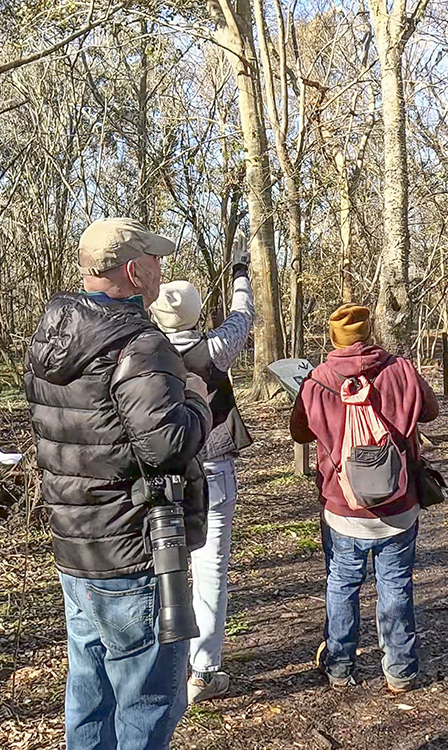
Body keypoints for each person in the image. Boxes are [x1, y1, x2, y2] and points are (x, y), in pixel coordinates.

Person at [24, 217, 212, 750]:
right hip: (134, 547)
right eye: (154, 260)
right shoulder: (141, 345)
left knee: (89, 690)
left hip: (76, 546)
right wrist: (195, 398)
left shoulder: (50, 336)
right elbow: (168, 444)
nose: (160, 269)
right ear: (134, 271)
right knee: (147, 700)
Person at [290, 304, 438, 693]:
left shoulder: (317, 380)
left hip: (342, 506)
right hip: (399, 504)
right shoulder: (400, 369)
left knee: (342, 582)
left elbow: (301, 435)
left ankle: (339, 666)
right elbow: (432, 412)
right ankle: (401, 670)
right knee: (396, 583)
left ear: (333, 338)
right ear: (369, 333)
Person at [149, 247, 255, 704]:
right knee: (209, 571)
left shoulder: (142, 351)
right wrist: (239, 273)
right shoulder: (215, 349)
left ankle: (161, 664)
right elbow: (243, 314)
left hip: (160, 475)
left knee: (160, 568)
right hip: (212, 469)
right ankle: (203, 672)